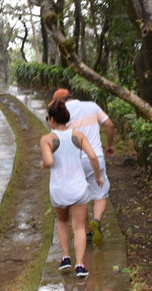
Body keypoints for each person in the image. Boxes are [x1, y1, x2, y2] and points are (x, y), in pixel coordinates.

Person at [40, 97, 103, 278]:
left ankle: (65, 257)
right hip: (78, 189)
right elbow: (92, 156)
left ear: (51, 119)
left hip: (59, 190)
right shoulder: (78, 136)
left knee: (61, 222)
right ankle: (80, 266)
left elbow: (49, 161)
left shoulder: (47, 139)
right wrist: (98, 176)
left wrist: (44, 164)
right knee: (79, 228)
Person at [51, 88, 115, 246]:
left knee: (81, 198)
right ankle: (97, 221)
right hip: (95, 157)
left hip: (75, 160)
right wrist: (110, 145)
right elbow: (110, 125)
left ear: (60, 101)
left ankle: (86, 233)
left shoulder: (62, 112)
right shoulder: (92, 106)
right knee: (100, 194)